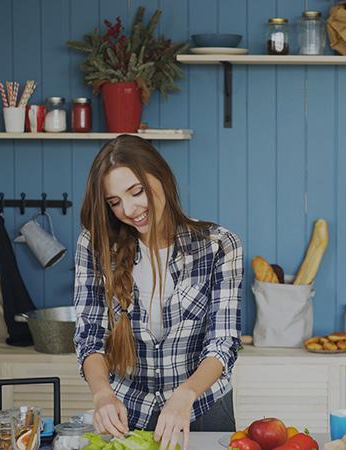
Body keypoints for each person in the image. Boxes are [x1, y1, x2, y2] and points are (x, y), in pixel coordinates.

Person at [73, 135, 243, 450]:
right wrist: (101, 394)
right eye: (114, 202)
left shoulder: (218, 245)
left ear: (161, 176)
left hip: (203, 408)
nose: (129, 209)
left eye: (136, 192)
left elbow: (223, 342)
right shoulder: (94, 244)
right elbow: (90, 338)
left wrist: (185, 394)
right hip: (128, 413)